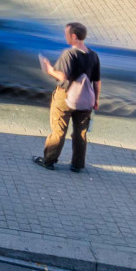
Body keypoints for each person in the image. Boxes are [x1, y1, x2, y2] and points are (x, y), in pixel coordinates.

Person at [33, 22, 101, 172]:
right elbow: (97, 81)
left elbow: (63, 76)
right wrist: (96, 99)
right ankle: (77, 165)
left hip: (65, 96)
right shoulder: (93, 55)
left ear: (74, 36)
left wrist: (49, 69)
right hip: (85, 98)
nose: (65, 36)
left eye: (66, 34)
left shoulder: (69, 54)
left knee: (59, 129)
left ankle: (49, 160)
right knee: (80, 132)